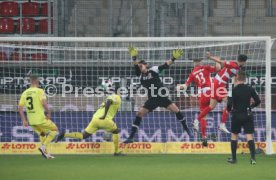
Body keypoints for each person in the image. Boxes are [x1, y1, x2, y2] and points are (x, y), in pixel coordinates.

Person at [124, 47, 191, 144]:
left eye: (141, 65)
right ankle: (131, 137)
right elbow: (136, 66)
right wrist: (134, 57)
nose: (140, 67)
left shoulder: (153, 70)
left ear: (146, 65)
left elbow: (165, 65)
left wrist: (173, 58)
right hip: (152, 99)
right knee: (139, 113)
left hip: (162, 96)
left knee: (176, 110)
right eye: (139, 66)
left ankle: (187, 129)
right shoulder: (140, 75)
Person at [55, 86, 125, 156]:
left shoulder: (111, 96)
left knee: (84, 135)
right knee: (116, 131)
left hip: (95, 119)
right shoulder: (116, 97)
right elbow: (108, 102)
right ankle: (117, 151)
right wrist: (104, 115)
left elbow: (108, 102)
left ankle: (64, 135)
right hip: (104, 119)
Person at [194, 52, 248, 134]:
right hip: (219, 84)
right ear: (244, 62)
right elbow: (222, 62)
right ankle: (222, 124)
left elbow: (234, 80)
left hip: (217, 84)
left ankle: (197, 120)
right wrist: (210, 57)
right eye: (245, 62)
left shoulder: (237, 69)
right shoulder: (233, 65)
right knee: (231, 104)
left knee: (211, 106)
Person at [177, 58, 220, 146]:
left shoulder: (192, 74)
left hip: (201, 95)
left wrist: (178, 87)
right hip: (209, 91)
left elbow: (185, 86)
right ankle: (197, 119)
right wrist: (217, 60)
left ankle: (204, 137)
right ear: (200, 62)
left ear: (194, 63)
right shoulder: (205, 67)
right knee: (218, 102)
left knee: (204, 115)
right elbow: (218, 68)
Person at [19, 75, 57, 159]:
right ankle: (43, 147)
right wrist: (48, 113)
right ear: (36, 82)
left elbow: (20, 108)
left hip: (31, 120)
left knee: (42, 133)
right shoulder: (40, 91)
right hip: (40, 119)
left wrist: (24, 120)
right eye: (39, 81)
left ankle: (46, 153)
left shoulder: (25, 92)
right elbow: (44, 103)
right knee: (54, 130)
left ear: (30, 82)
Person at [226, 71, 260, 164]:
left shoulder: (233, 90)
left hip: (236, 115)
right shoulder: (250, 89)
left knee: (234, 136)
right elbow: (258, 101)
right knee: (249, 135)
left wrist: (229, 110)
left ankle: (234, 159)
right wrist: (251, 106)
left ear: (237, 78)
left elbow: (229, 104)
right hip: (247, 114)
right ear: (245, 79)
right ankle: (253, 159)